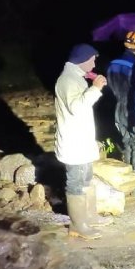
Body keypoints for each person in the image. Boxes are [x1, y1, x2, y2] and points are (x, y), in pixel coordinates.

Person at [54, 43, 113, 239]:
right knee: (76, 183)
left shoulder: (75, 77)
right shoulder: (67, 80)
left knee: (86, 178)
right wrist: (94, 89)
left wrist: (91, 82)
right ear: (83, 59)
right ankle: (78, 225)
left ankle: (90, 216)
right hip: (74, 143)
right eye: (93, 59)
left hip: (81, 140)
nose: (95, 62)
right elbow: (76, 107)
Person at [107, 31, 135, 193]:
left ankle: (128, 180)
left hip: (118, 107)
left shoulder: (112, 63)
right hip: (133, 109)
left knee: (127, 142)